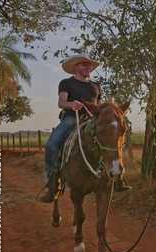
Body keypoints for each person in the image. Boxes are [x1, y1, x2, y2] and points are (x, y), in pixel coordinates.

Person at [38, 54, 131, 203]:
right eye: (84, 65)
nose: (88, 67)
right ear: (76, 67)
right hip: (71, 119)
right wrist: (72, 104)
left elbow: (100, 107)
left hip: (92, 120)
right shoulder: (66, 83)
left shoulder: (95, 86)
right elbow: (61, 103)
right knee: (51, 145)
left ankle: (118, 178)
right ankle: (52, 184)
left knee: (110, 141)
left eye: (89, 65)